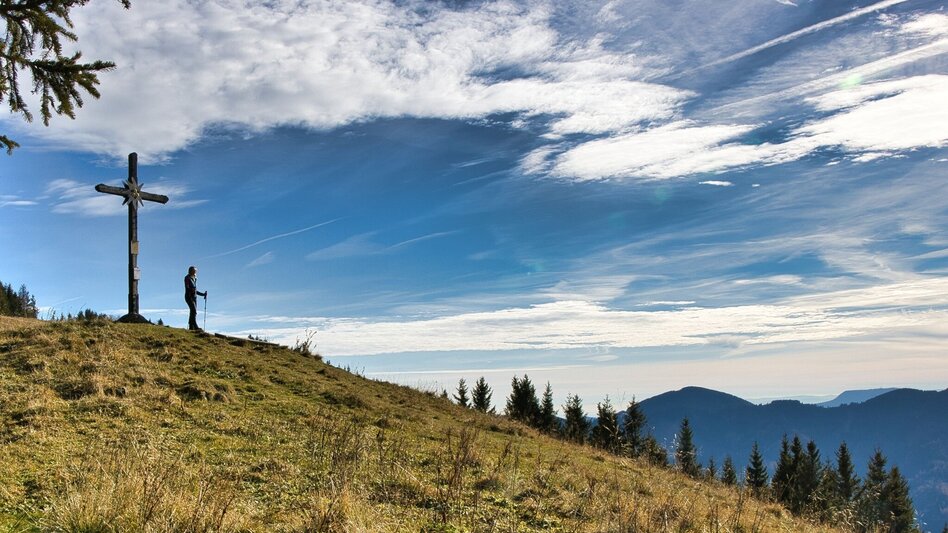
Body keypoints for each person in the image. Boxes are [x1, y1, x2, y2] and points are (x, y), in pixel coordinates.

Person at [184, 266, 207, 331]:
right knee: (194, 311)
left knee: (193, 311)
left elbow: (195, 290)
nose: (195, 272)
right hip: (189, 296)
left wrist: (203, 294)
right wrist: (191, 291)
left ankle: (191, 326)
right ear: (191, 271)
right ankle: (195, 326)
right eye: (194, 271)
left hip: (194, 297)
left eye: (195, 271)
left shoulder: (195, 279)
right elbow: (187, 288)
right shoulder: (187, 278)